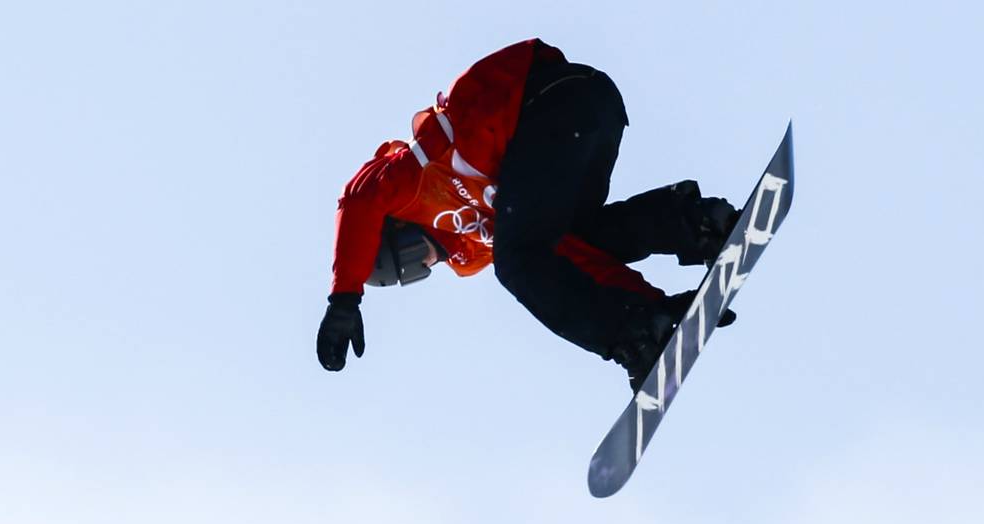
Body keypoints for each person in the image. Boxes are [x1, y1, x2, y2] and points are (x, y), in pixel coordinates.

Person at [316, 38, 739, 390]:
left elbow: (358, 201)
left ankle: (636, 333)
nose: (427, 265)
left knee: (518, 262)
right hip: (587, 120)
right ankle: (697, 226)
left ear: (396, 227)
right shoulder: (483, 238)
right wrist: (654, 307)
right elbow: (577, 262)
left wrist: (344, 299)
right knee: (562, 243)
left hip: (549, 103)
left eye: (408, 261)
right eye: (416, 275)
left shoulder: (413, 179)